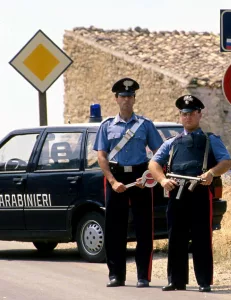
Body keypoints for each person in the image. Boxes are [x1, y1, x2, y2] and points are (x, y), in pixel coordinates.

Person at [148, 95, 231, 293]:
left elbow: (226, 162)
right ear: (180, 116)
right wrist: (162, 180)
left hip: (200, 192)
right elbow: (153, 163)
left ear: (199, 114)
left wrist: (211, 173)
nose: (187, 117)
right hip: (177, 193)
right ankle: (176, 281)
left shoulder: (210, 140)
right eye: (184, 114)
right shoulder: (171, 142)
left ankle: (204, 281)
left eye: (192, 113)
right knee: (176, 237)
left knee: (202, 238)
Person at [93, 77, 163, 288]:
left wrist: (149, 175)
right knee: (115, 228)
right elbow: (102, 156)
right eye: (122, 96)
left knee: (144, 228)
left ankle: (143, 276)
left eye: (130, 96)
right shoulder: (106, 126)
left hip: (140, 177)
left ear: (134, 99)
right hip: (116, 177)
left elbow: (159, 151)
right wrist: (113, 182)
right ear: (116, 99)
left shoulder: (145, 125)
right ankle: (116, 275)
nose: (126, 99)